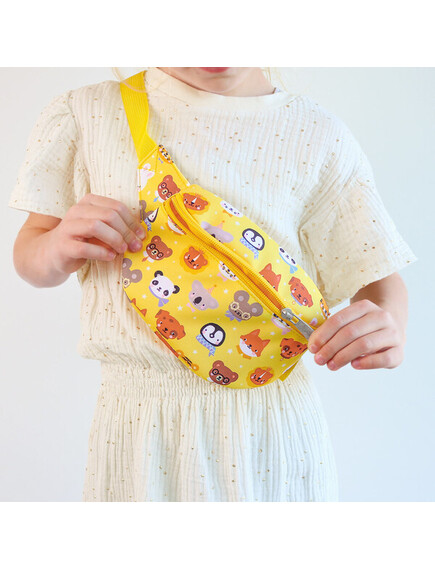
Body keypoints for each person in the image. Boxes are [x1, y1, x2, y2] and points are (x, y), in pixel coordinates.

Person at [9, 67, 417, 502]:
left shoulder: (317, 135)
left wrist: (387, 322)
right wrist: (56, 246)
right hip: (139, 428)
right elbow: (30, 252)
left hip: (273, 431)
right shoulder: (88, 113)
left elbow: (378, 277)